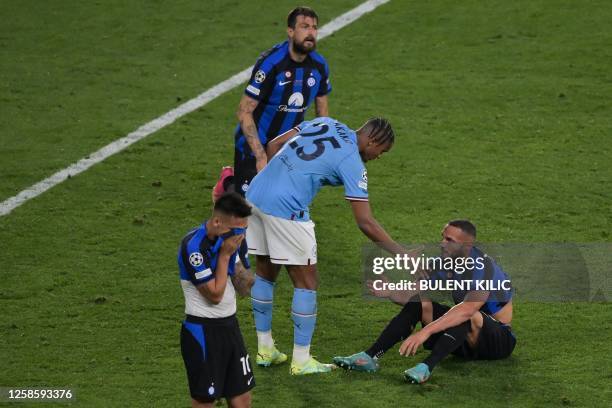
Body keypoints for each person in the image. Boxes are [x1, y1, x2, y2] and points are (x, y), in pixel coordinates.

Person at [245, 116, 407, 375]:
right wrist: (403, 255)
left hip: (255, 195)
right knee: (307, 282)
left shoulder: (326, 122)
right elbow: (365, 222)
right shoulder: (352, 162)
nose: (379, 157)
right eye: (382, 151)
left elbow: (274, 145)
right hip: (287, 209)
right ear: (373, 140)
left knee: (265, 271)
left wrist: (278, 181)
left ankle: (265, 349)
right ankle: (301, 360)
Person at [333, 220, 516, 384]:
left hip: (497, 342)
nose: (442, 243)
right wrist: (391, 292)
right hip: (463, 340)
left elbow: (467, 311)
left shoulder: (482, 268)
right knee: (420, 302)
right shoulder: (442, 262)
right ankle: (369, 357)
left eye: (449, 240)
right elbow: (413, 294)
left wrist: (424, 333)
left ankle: (426, 367)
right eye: (443, 238)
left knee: (466, 315)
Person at [234, 6, 331, 195]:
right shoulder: (272, 64)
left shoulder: (319, 66)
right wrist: (260, 156)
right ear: (290, 31)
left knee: (278, 208)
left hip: (287, 149)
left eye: (314, 27)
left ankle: (230, 182)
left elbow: (322, 112)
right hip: (254, 146)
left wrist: (320, 150)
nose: (310, 32)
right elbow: (244, 110)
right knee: (245, 214)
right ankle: (230, 182)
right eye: (304, 27)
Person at [178, 193, 255, 407]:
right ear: (217, 222)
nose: (241, 235)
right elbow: (214, 295)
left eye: (244, 229)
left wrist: (238, 262)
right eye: (238, 230)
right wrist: (224, 257)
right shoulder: (193, 247)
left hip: (230, 328)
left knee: (242, 400)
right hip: (202, 331)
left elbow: (243, 288)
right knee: (205, 401)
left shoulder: (233, 241)